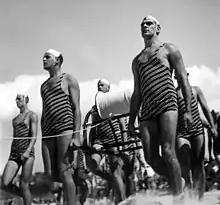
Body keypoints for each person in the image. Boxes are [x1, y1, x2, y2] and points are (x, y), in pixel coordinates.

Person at [128, 15, 192, 200]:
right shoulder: (137, 61)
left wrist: (187, 110)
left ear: (158, 28)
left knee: (168, 150)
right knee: (150, 158)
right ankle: (178, 182)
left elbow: (182, 79)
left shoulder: (168, 49)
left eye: (149, 23)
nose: (145, 26)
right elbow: (137, 92)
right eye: (142, 24)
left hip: (167, 103)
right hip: (147, 110)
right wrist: (131, 122)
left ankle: (178, 197)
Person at [84, 79, 135, 204]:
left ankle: (122, 201)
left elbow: (123, 125)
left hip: (114, 140)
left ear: (108, 88)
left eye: (102, 85)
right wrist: (89, 144)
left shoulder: (114, 103)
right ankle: (108, 178)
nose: (99, 86)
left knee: (116, 172)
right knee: (92, 165)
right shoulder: (94, 108)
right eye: (98, 85)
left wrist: (124, 146)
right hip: (100, 140)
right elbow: (92, 127)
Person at [40, 49, 81, 205]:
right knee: (50, 173)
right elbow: (45, 110)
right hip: (47, 132)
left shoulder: (68, 80)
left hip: (65, 127)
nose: (43, 59)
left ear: (57, 60)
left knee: (65, 171)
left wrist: (76, 136)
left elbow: (77, 109)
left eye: (47, 57)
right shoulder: (43, 86)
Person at [175, 74, 217, 200]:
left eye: (184, 74)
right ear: (175, 77)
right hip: (181, 133)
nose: (182, 76)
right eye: (179, 74)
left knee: (198, 166)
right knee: (185, 165)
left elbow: (205, 108)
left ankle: (200, 197)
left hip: (197, 131)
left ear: (187, 75)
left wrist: (212, 126)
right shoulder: (174, 94)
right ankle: (189, 194)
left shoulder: (196, 90)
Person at [2, 94, 38, 205]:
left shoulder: (32, 116)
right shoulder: (15, 120)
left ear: (26, 99)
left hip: (27, 153)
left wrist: (27, 151)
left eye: (19, 99)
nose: (17, 101)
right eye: (16, 99)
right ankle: (28, 198)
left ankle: (27, 200)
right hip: (14, 153)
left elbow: (34, 136)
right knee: (4, 183)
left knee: (24, 184)